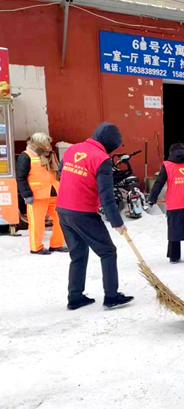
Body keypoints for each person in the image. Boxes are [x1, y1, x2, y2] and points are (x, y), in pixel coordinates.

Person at [56, 122, 134, 311]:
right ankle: (111, 296)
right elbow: (106, 195)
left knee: (78, 255)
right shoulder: (102, 159)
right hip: (83, 212)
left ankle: (75, 297)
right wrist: (117, 222)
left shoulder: (72, 150)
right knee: (107, 252)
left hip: (63, 210)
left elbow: (60, 173)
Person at [149, 143, 184, 263]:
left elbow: (159, 183)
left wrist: (152, 198)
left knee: (174, 229)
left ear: (171, 153)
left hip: (175, 203)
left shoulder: (167, 165)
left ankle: (174, 256)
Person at [16, 133, 67, 255]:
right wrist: (26, 194)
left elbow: (58, 173)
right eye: (46, 143)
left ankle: (56, 244)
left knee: (61, 220)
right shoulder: (26, 156)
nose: (48, 146)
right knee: (36, 223)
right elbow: (21, 177)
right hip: (36, 195)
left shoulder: (50, 155)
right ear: (38, 143)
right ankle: (36, 247)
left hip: (54, 192)